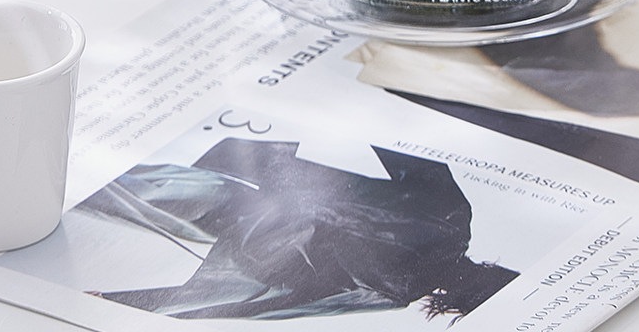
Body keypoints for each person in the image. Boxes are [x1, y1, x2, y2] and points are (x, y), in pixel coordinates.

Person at [79, 137, 517, 322]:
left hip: (255, 212)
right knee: (124, 186)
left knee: (126, 186)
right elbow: (258, 303)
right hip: (256, 217)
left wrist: (132, 303)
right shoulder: (397, 288)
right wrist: (133, 303)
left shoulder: (449, 224)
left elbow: (263, 303)